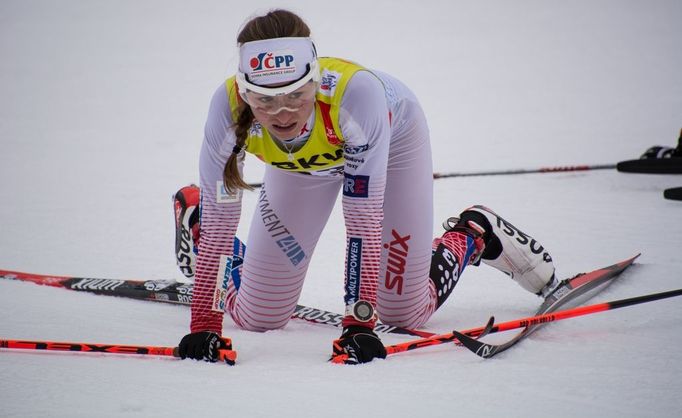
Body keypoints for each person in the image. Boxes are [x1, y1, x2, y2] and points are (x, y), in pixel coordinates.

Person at [175, 9, 558, 365]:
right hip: (298, 170)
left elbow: (362, 222)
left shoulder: (355, 98)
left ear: (314, 78)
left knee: (401, 312)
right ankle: (195, 221)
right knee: (258, 316)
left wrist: (359, 323)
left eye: (296, 95)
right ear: (244, 92)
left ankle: (473, 232)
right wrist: (205, 326)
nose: (283, 114)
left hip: (393, 149)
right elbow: (223, 224)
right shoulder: (225, 109)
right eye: (265, 101)